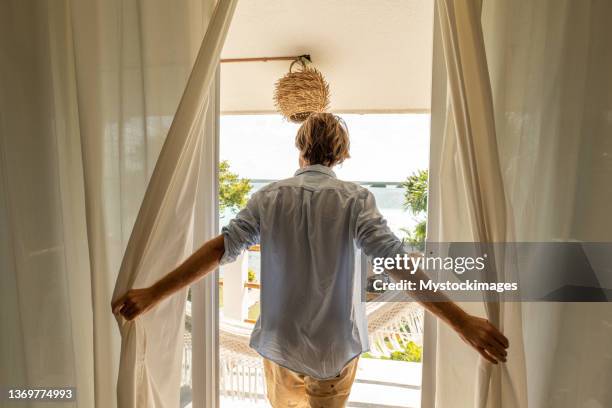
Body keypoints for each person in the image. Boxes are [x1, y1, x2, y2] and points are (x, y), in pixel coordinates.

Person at [113, 113, 508, 408]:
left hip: (279, 341)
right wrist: (462, 323)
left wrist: (153, 293)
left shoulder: (269, 197)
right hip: (334, 346)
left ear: (300, 149)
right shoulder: (355, 199)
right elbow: (397, 263)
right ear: (341, 154)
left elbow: (221, 249)